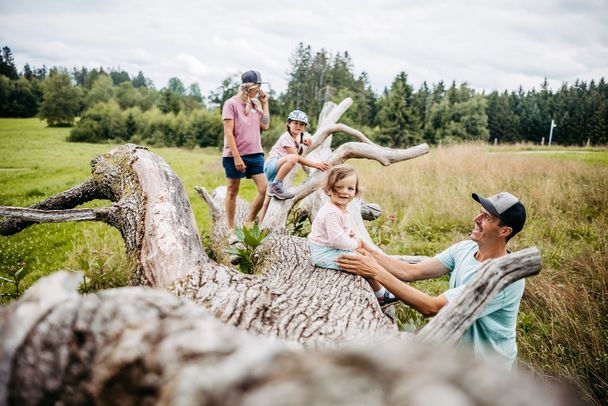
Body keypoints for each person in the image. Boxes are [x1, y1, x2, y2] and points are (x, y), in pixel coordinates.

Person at [336, 192, 527, 368]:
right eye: (480, 212)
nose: (476, 219)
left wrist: (376, 271)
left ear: (504, 231)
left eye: (487, 217)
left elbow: (431, 307)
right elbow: (411, 272)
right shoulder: (465, 249)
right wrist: (367, 250)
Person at [308, 165, 400, 307]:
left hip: (327, 249)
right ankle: (381, 296)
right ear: (329, 188)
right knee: (362, 262)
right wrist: (356, 243)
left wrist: (349, 234)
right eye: (339, 187)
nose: (345, 192)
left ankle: (381, 288)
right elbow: (337, 240)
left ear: (355, 191)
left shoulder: (339, 209)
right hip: (324, 254)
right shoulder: (332, 212)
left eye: (350, 188)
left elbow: (341, 231)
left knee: (363, 256)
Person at [222, 70, 270, 234]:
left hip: (256, 154)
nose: (259, 89)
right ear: (250, 86)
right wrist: (236, 157)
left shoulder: (256, 104)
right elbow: (229, 133)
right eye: (258, 86)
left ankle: (248, 221)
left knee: (265, 190)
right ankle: (230, 229)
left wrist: (264, 103)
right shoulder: (231, 104)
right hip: (234, 155)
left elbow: (265, 126)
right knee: (232, 191)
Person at [264, 110, 330, 200]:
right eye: (296, 123)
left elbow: (295, 142)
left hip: (277, 166)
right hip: (272, 165)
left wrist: (304, 141)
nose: (298, 126)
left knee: (267, 202)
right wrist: (316, 165)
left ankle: (264, 213)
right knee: (294, 157)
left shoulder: (295, 138)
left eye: (302, 124)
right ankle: (275, 185)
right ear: (288, 123)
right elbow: (296, 158)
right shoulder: (286, 137)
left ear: (304, 127)